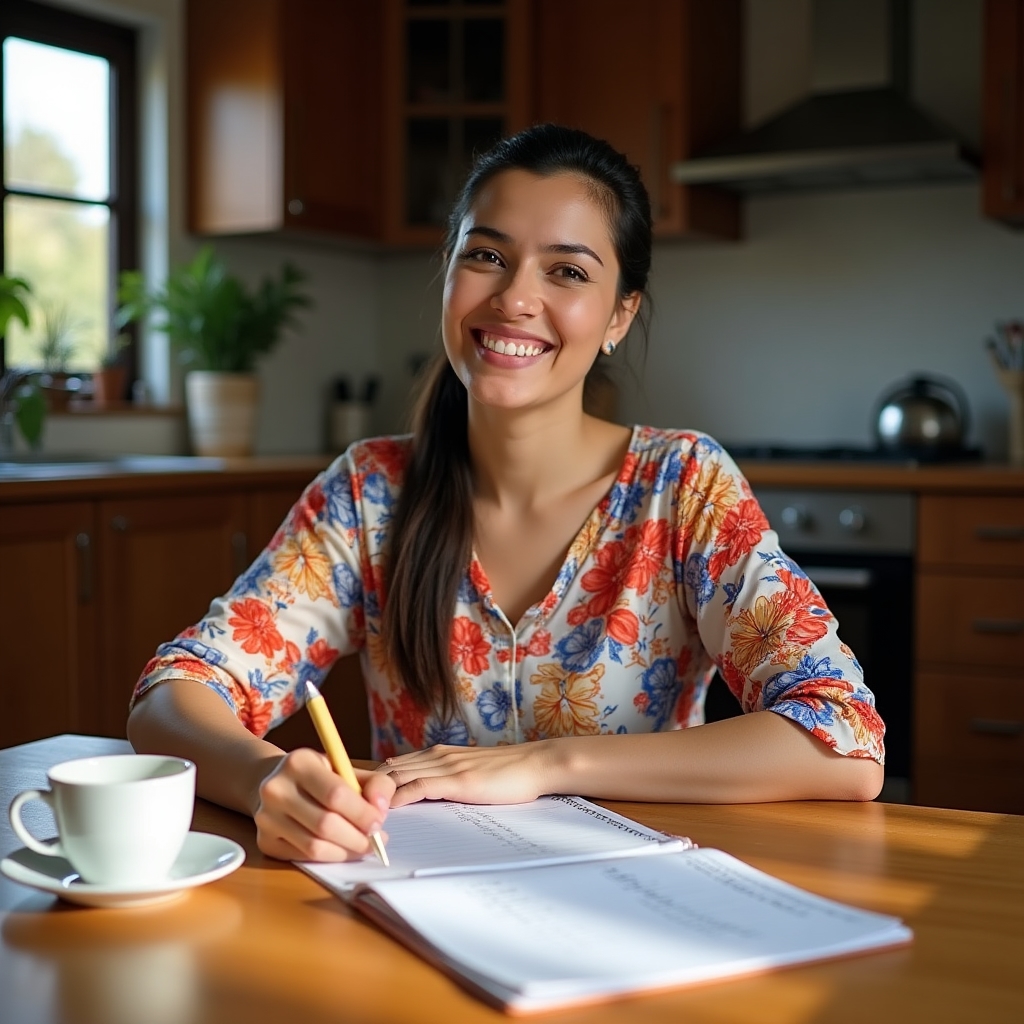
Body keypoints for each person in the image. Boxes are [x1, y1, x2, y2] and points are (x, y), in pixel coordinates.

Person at [128, 125, 885, 864]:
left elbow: (844, 739)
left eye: (567, 271)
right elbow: (174, 693)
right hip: (415, 899)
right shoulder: (369, 493)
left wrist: (550, 763)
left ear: (620, 313)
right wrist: (267, 782)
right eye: (487, 256)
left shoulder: (683, 486)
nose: (516, 298)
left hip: (637, 904)